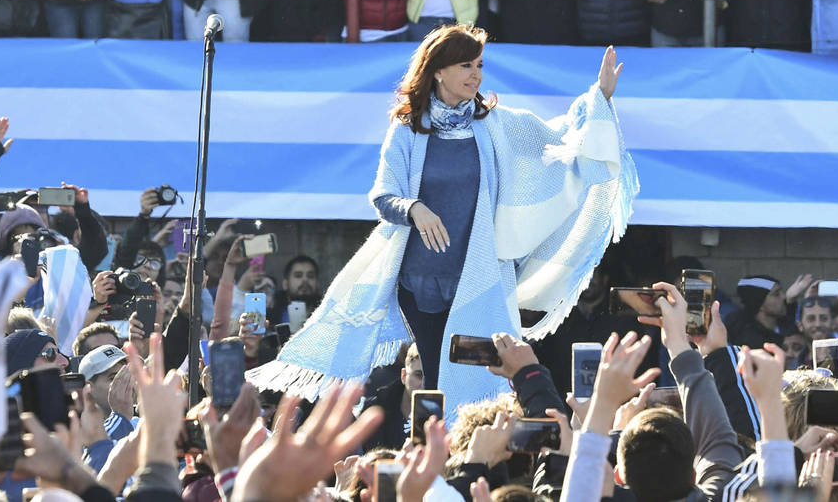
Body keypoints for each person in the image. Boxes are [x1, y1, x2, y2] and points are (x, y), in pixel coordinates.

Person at [254, 25, 636, 415]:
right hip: (420, 284)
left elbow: (558, 139)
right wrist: (413, 208)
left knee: (483, 378)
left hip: (481, 277)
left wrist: (600, 97)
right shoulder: (406, 129)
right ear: (438, 70)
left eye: (480, 65)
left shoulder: (495, 123)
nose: (477, 74)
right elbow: (382, 196)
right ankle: (438, 460)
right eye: (466, 65)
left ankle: (470, 460)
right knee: (438, 376)